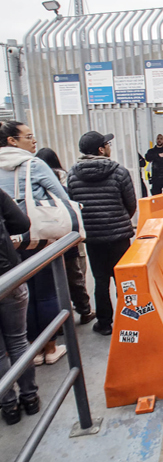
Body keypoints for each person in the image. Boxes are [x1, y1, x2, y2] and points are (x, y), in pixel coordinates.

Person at [0, 121, 69, 365]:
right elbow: (62, 197)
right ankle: (49, 348)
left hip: (6, 244)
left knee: (19, 293)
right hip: (36, 239)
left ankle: (31, 350)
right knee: (46, 293)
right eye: (29, 136)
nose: (34, 141)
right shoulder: (34, 165)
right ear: (12, 141)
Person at [67, 131, 137, 336]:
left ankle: (104, 323)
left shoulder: (72, 174)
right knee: (124, 281)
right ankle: (129, 321)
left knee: (100, 280)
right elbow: (130, 205)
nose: (109, 147)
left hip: (93, 238)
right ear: (100, 149)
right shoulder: (119, 172)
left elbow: (73, 205)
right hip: (118, 237)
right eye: (107, 144)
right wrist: (119, 220)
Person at [35, 147, 95, 326]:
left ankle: (58, 322)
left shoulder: (30, 183)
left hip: (43, 238)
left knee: (48, 283)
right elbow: (71, 202)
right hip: (66, 234)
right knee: (75, 274)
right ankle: (84, 310)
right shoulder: (64, 178)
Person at [0, 186, 38, 425]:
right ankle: (30, 397)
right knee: (17, 340)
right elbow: (22, 224)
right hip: (7, 276)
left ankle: (9, 406)